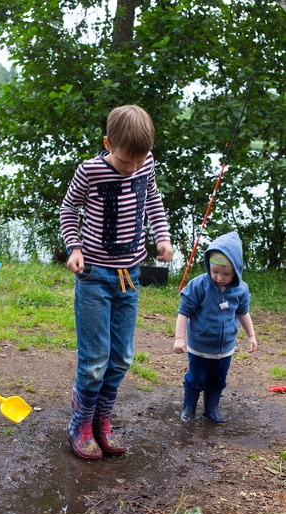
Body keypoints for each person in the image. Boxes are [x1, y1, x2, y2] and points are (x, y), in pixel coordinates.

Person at [60, 104, 174, 460]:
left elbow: (152, 200)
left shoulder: (146, 163)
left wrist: (163, 236)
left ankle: (101, 421)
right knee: (95, 358)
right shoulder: (90, 171)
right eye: (127, 162)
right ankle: (80, 424)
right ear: (108, 144)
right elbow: (68, 209)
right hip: (94, 276)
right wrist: (74, 246)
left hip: (131, 276)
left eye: (140, 161)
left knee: (122, 357)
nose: (134, 168)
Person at [173, 231, 257, 424]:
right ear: (208, 266)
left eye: (226, 273)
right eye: (215, 271)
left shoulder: (241, 289)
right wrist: (179, 338)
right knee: (196, 378)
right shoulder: (199, 285)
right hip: (199, 346)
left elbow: (243, 313)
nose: (219, 277)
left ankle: (211, 410)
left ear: (236, 270)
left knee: (218, 381)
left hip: (225, 348)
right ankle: (189, 409)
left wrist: (251, 336)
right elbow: (183, 311)